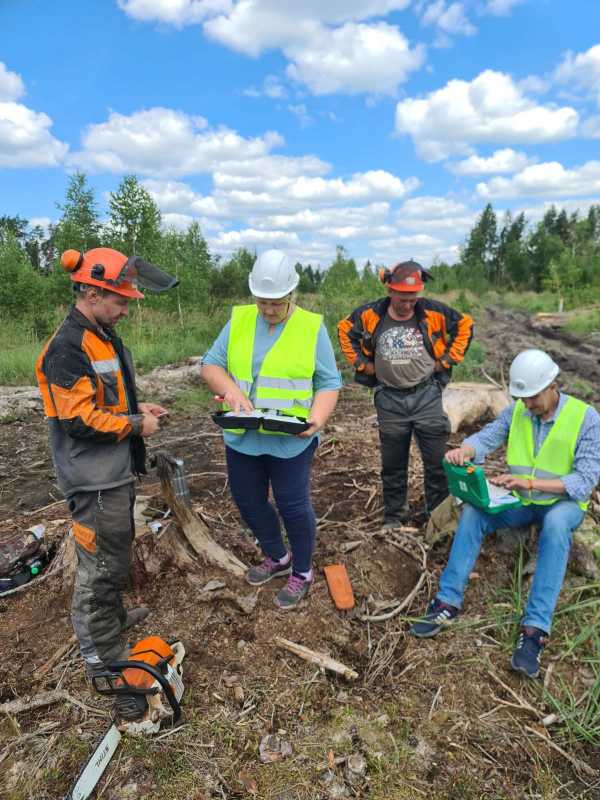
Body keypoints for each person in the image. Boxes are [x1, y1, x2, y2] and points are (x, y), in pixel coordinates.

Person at [36, 247, 177, 719]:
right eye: (120, 300)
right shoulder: (67, 348)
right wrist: (137, 426)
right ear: (92, 292)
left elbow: (107, 401)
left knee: (115, 556)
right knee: (97, 570)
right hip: (91, 479)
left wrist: (141, 411)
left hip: (113, 472)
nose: (126, 307)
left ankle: (114, 626)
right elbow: (78, 420)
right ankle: (100, 658)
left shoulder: (103, 335)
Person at [410, 349, 600, 678]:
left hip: (562, 505)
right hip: (523, 500)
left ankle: (534, 631)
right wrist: (467, 449)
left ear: (554, 384)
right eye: (522, 398)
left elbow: (583, 482)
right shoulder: (518, 412)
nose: (528, 404)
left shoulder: (587, 418)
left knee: (555, 525)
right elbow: (489, 436)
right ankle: (446, 602)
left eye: (533, 397)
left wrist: (529, 481)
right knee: (474, 512)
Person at [201, 249, 341, 609]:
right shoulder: (241, 320)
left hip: (291, 441)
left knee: (293, 506)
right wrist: (230, 391)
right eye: (263, 302)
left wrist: (318, 419)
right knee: (247, 501)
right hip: (243, 436)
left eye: (276, 303)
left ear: (292, 294)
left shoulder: (311, 327)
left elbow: (328, 382)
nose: (268, 310)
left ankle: (303, 571)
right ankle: (278, 556)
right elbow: (211, 364)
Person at [337, 260, 473, 527]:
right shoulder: (371, 314)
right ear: (390, 290)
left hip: (427, 395)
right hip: (389, 399)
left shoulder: (432, 312)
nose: (408, 303)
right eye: (402, 297)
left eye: (413, 298)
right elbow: (344, 330)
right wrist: (363, 365)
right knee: (393, 465)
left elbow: (465, 325)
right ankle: (394, 518)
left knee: (436, 464)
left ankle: (437, 520)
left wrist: (446, 361)